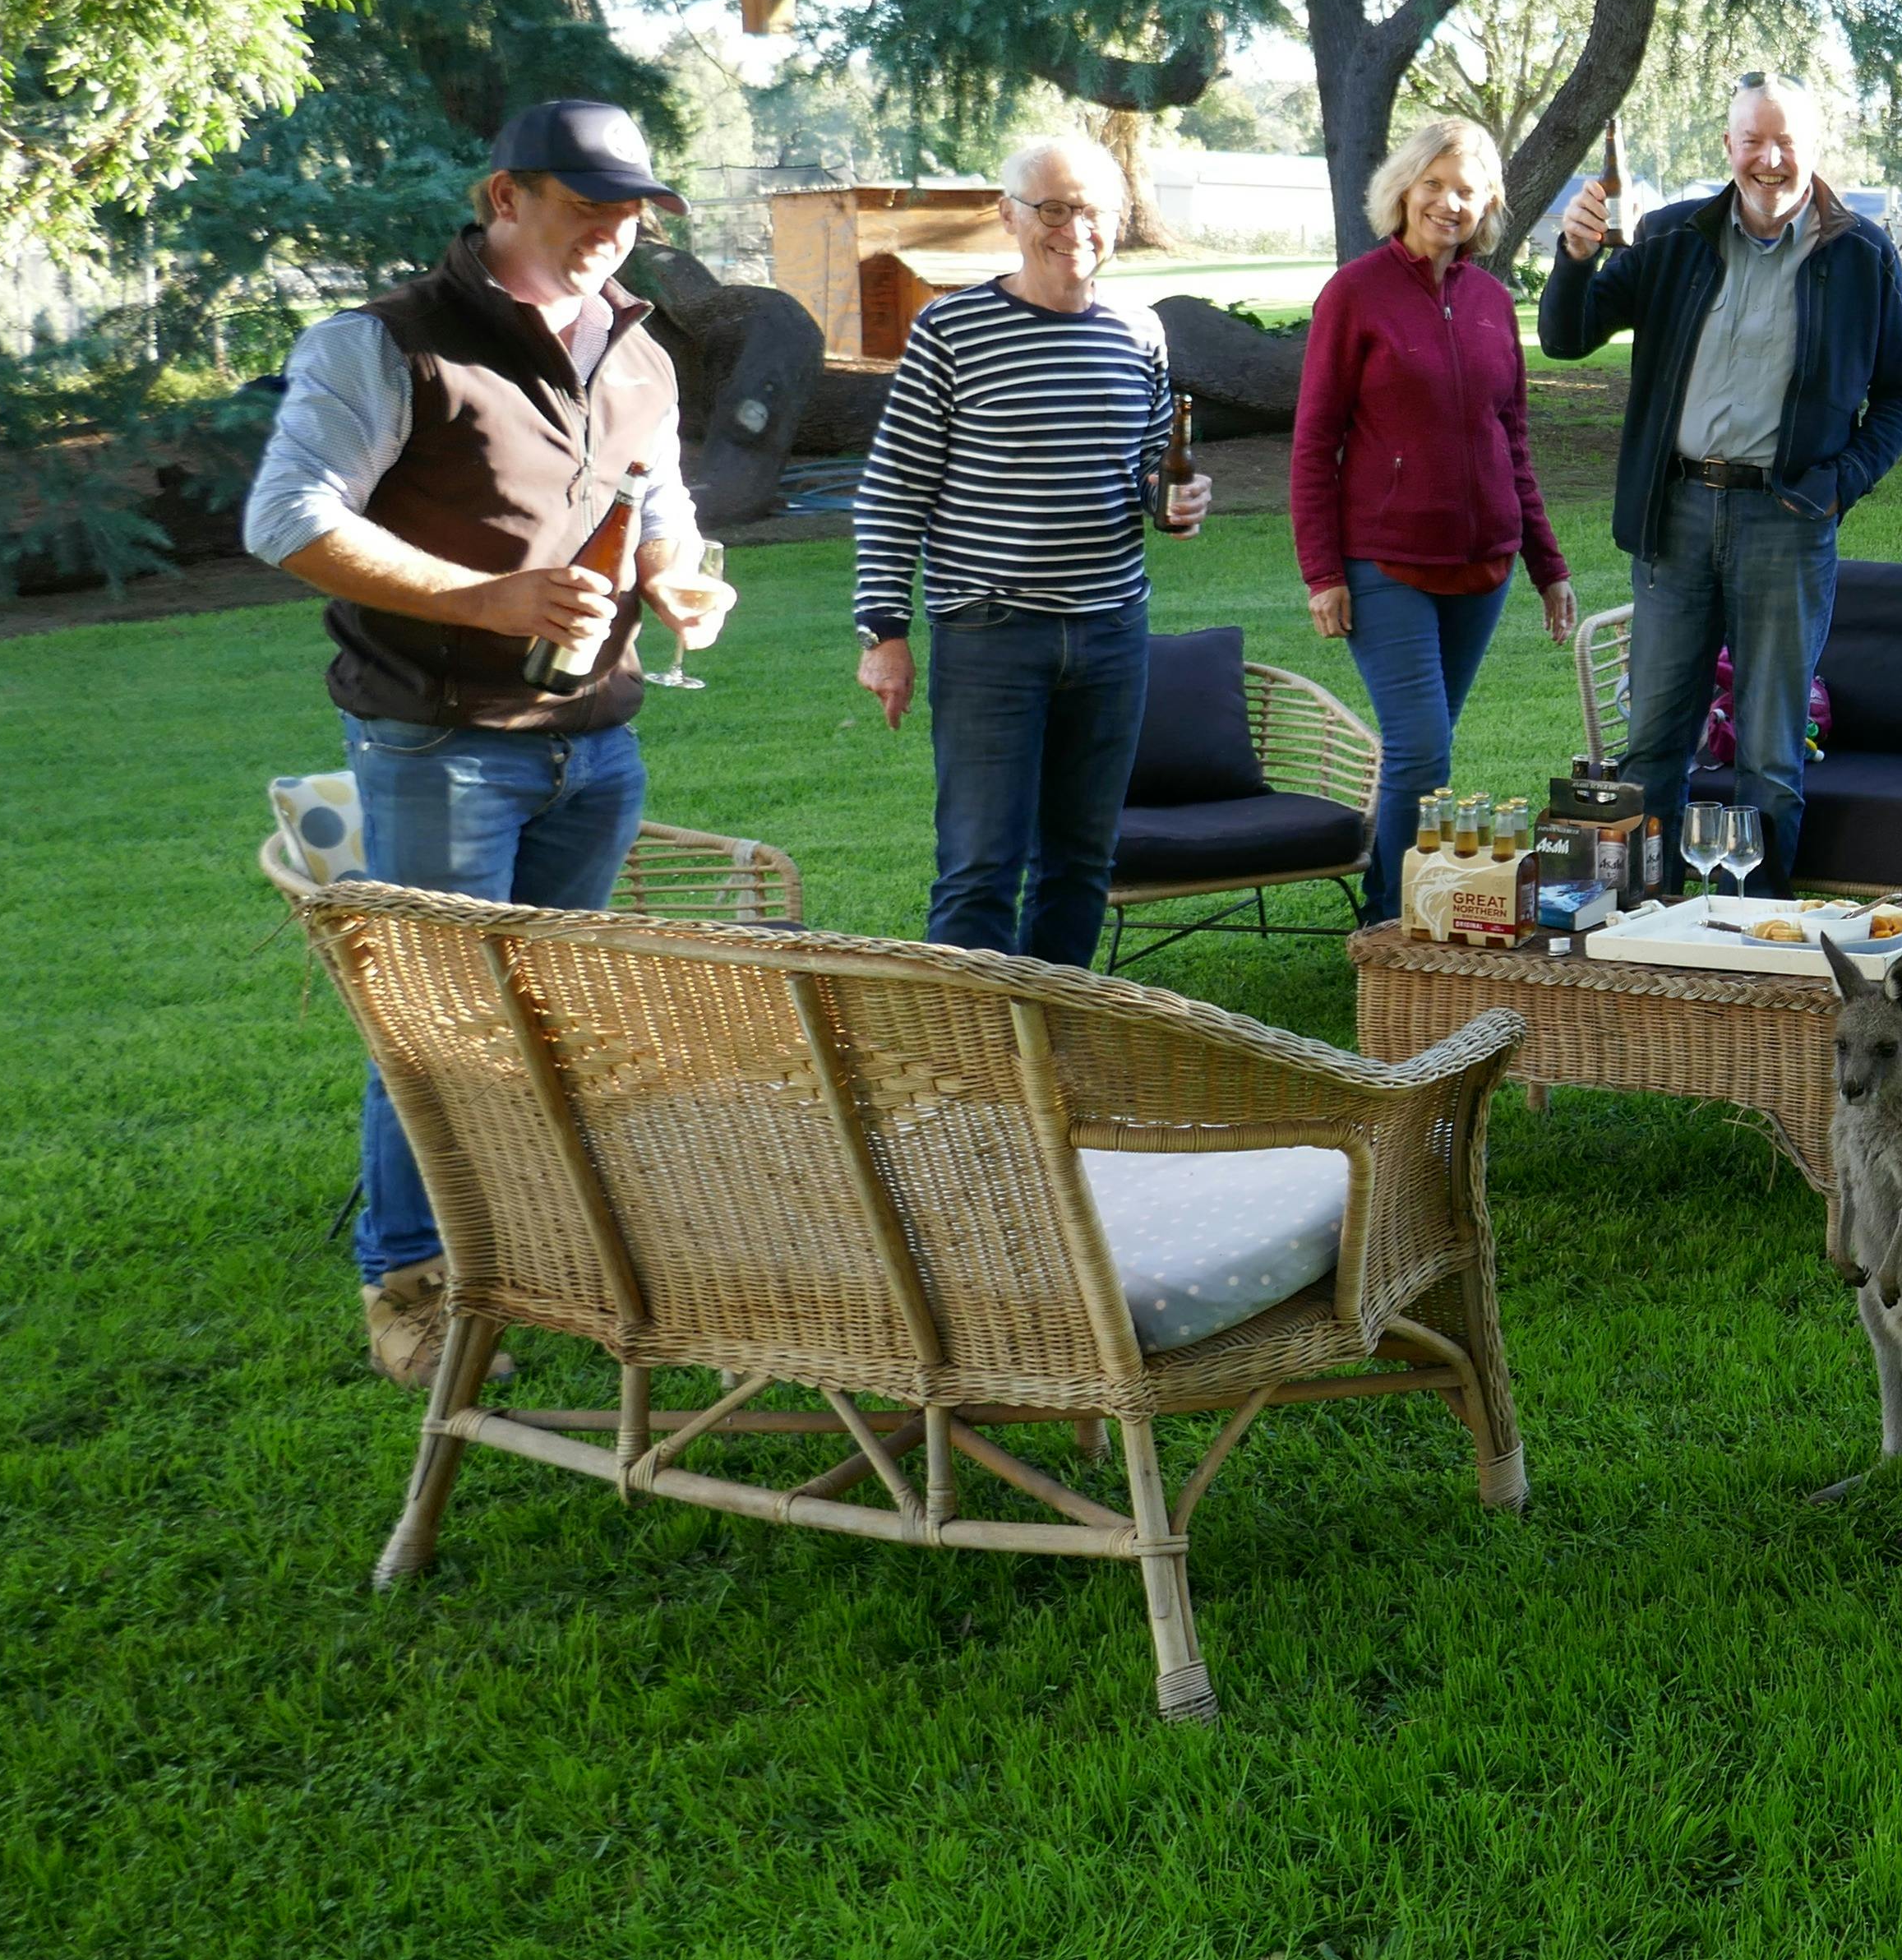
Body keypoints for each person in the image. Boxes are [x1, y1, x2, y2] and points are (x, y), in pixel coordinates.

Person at [244, 95, 736, 1387]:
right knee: (438, 1021)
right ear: (502, 197)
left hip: (598, 741)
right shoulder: (384, 342)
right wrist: (483, 599)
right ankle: (405, 1279)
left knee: (549, 1012)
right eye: (588, 208)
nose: (615, 236)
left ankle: (525, 1246)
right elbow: (286, 518)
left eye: (633, 213)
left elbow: (663, 504)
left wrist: (682, 579)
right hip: (437, 741)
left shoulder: (640, 352)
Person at [1540, 73, 1902, 894]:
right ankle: (1648, 930)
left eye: (1787, 140)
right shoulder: (1673, 238)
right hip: (1674, 515)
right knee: (1652, 745)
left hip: (1785, 523)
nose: (1771, 158)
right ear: (1728, 148)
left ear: (1814, 149)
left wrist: (1838, 484)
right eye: (1754, 140)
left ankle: (1759, 944)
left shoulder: (1858, 254)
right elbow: (1569, 336)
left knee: (1770, 754)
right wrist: (1574, 258)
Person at [850, 132, 1212, 966]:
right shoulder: (952, 331)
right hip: (990, 635)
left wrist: (1179, 502)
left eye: (1092, 209)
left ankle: (1055, 1053)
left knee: (1081, 864)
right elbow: (893, 488)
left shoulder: (1140, 332)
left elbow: (1152, 475)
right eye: (1052, 207)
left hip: (1113, 632)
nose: (1073, 227)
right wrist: (885, 632)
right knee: (981, 868)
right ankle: (974, 1063)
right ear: (1010, 215)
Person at [1293, 114, 1578, 925]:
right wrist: (1322, 575)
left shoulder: (1492, 301)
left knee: (1419, 749)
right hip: (1384, 565)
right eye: (1434, 185)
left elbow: (1512, 443)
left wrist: (1548, 566)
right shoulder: (1354, 295)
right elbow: (1314, 446)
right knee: (1422, 747)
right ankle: (1395, 924)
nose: (1448, 203)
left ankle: (1401, 911)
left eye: (1467, 189)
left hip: (1482, 568)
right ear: (1404, 190)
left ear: (1487, 202)